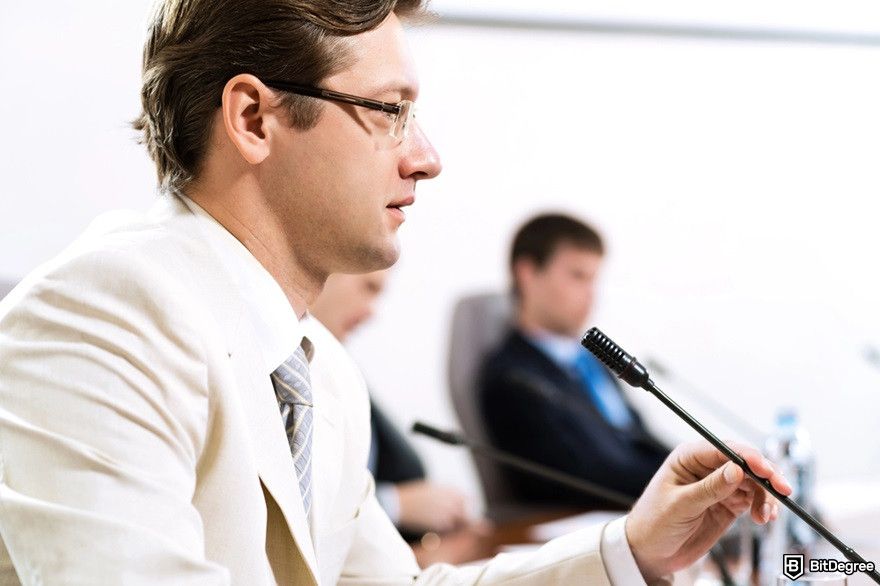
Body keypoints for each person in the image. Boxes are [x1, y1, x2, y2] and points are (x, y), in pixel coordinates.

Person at [0, 1, 789, 584]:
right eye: (389, 111)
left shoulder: (317, 369)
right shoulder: (101, 317)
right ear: (253, 118)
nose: (426, 157)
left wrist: (630, 550)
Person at [479, 213, 671, 510]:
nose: (591, 294)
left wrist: (702, 467)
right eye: (578, 277)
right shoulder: (512, 377)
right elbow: (588, 475)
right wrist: (680, 481)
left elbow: (639, 441)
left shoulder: (590, 362)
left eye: (594, 279)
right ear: (527, 273)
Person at [309, 270, 471, 539]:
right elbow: (309, 507)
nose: (371, 312)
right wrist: (396, 506)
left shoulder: (339, 368)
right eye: (369, 287)